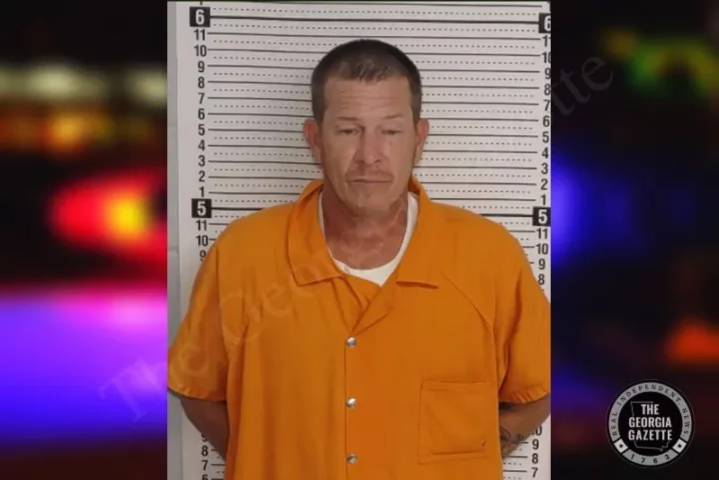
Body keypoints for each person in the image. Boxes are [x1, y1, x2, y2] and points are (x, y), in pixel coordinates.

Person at [168, 39, 550, 480]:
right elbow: (196, 387)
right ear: (315, 139)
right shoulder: (244, 253)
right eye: (349, 131)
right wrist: (263, 457)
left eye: (391, 131)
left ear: (419, 139)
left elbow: (541, 385)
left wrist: (477, 451)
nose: (370, 155)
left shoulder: (488, 256)